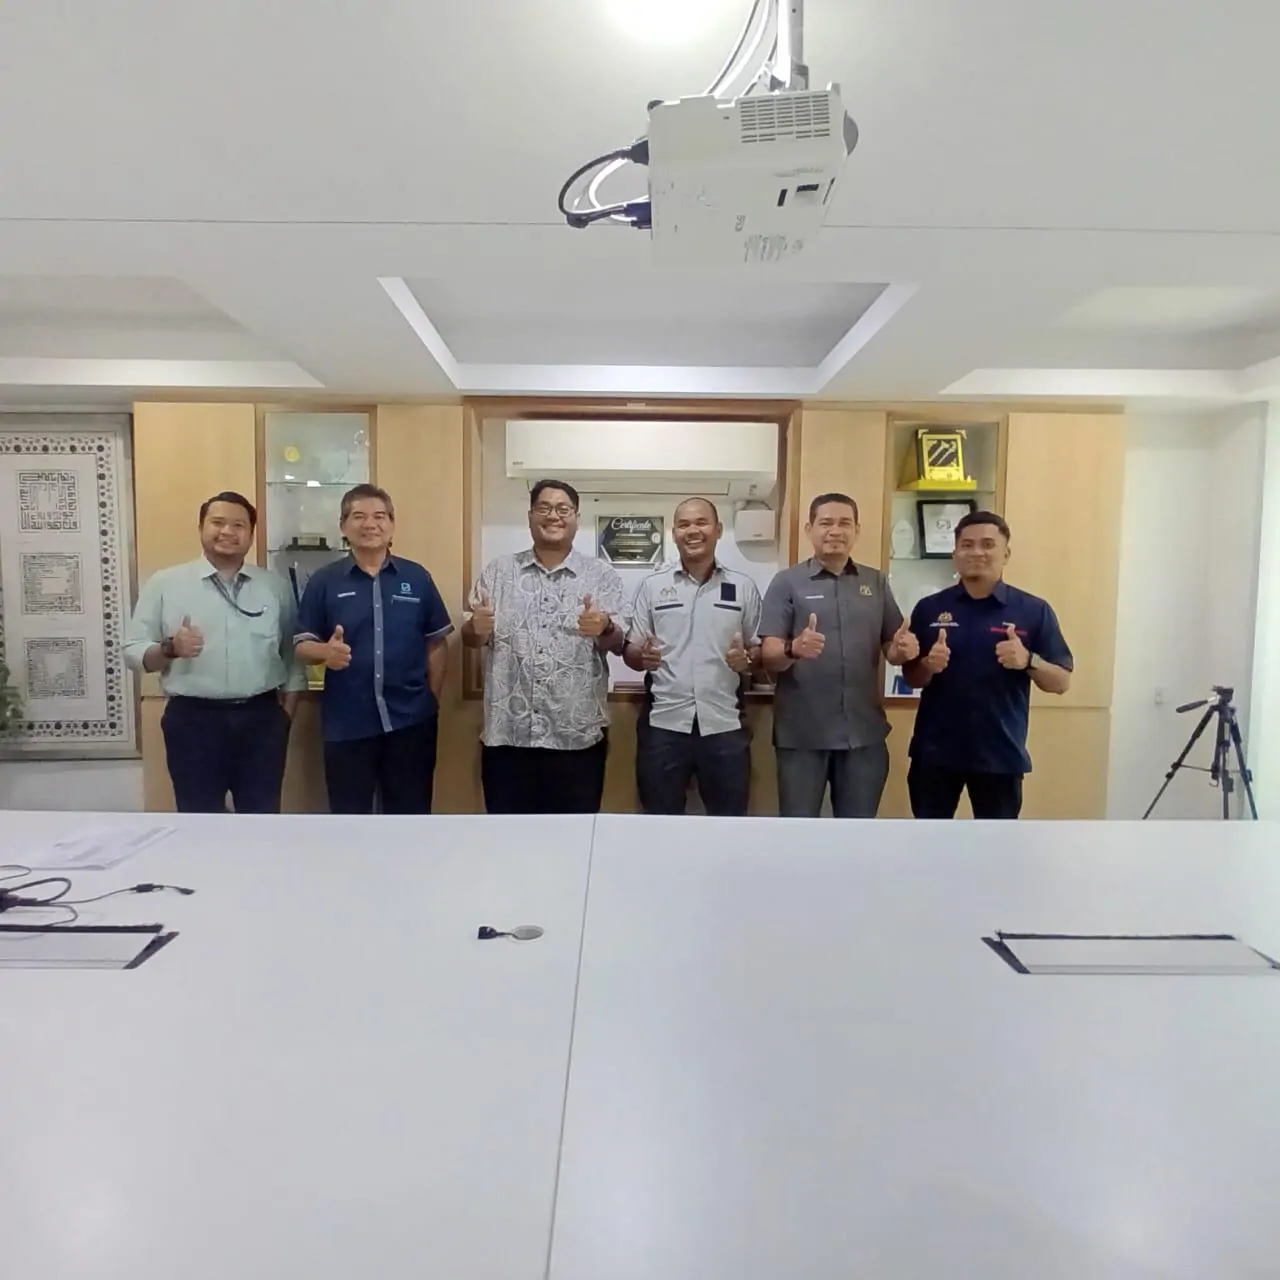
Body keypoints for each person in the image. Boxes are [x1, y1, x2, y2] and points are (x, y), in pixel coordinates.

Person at [124, 491, 307, 813]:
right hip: (193, 720)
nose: (227, 531)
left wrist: (284, 718)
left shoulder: (274, 586)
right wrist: (170, 648)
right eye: (218, 523)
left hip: (261, 720)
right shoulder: (165, 583)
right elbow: (132, 651)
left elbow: (291, 657)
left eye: (238, 525)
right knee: (199, 816)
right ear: (200, 528)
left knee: (262, 816)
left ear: (251, 533)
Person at [462, 479, 627, 814]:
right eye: (544, 508)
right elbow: (471, 638)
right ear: (530, 516)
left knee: (574, 837)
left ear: (576, 518)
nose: (554, 515)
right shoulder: (498, 572)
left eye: (563, 509)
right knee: (509, 836)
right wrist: (474, 629)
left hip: (576, 740)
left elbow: (620, 643)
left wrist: (605, 627)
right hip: (508, 738)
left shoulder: (601, 576)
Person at [902, 510, 1073, 820]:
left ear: (1006, 554)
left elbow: (1061, 682)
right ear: (955, 553)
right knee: (927, 842)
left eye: (988, 544)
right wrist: (928, 664)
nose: (977, 552)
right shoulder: (930, 609)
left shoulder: (1033, 610)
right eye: (967, 545)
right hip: (935, 754)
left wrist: (1028, 660)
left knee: (998, 844)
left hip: (1000, 755)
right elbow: (913, 678)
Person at [294, 484, 452, 815]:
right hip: (347, 723)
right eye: (359, 516)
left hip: (411, 722)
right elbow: (301, 645)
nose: (370, 524)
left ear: (392, 525)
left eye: (380, 516)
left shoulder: (417, 577)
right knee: (350, 818)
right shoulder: (325, 581)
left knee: (410, 815)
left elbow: (436, 642)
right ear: (343, 526)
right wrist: (325, 653)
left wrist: (430, 699)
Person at [760, 492, 919, 818]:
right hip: (803, 735)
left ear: (857, 530)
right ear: (810, 529)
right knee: (798, 831)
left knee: (858, 832)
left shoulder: (876, 582)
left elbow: (892, 649)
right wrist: (793, 648)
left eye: (845, 523)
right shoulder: (787, 583)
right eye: (826, 523)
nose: (835, 531)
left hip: (863, 734)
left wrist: (903, 650)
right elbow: (769, 654)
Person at [625, 497, 762, 816]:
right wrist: (642, 657)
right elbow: (631, 650)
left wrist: (748, 660)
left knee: (729, 822)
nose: (693, 530)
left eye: (701, 522)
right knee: (660, 821)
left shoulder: (743, 587)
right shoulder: (652, 586)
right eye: (684, 524)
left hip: (724, 726)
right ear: (673, 533)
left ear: (718, 530)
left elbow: (758, 650)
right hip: (664, 726)